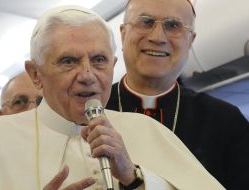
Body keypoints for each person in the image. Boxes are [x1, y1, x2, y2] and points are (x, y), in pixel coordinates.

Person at [0, 5, 224, 190]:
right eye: (69, 61)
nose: (87, 75)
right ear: (36, 74)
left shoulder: (148, 130)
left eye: (99, 60)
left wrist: (135, 179)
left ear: (113, 66)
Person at [106, 0, 249, 189]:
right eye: (146, 22)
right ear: (123, 34)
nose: (158, 37)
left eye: (173, 25)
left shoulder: (227, 121)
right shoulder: (87, 112)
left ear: (190, 40)